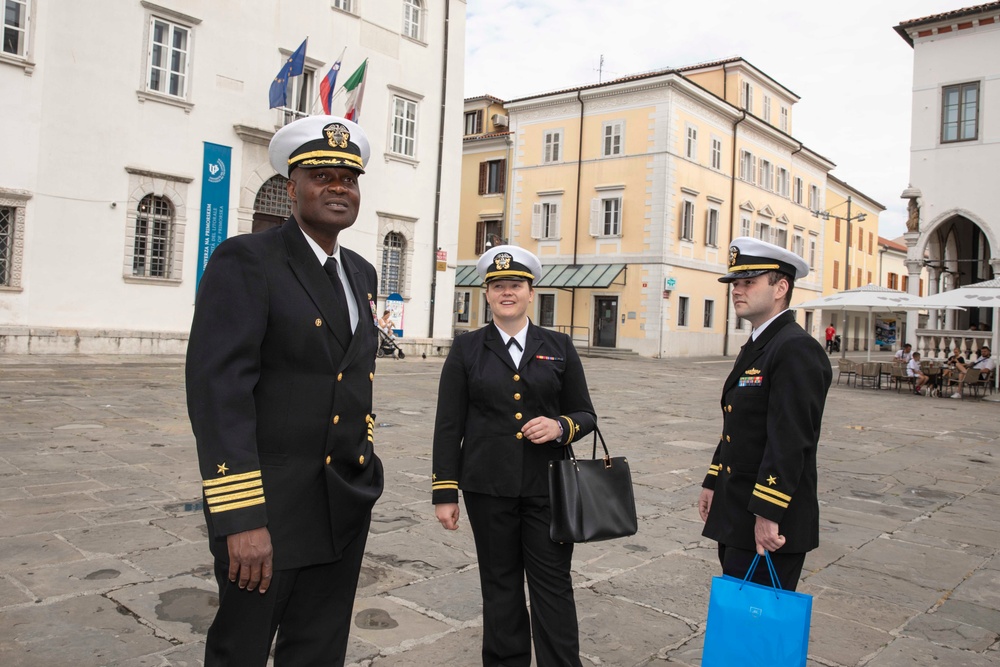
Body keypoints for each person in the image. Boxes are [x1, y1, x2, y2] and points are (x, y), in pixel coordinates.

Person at [186, 115, 384, 666]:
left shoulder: (361, 274)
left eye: (348, 178)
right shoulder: (247, 259)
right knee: (241, 652)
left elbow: (353, 379)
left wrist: (363, 471)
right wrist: (241, 518)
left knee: (319, 652)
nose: (337, 188)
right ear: (292, 187)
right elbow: (218, 395)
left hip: (340, 503)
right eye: (321, 176)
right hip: (267, 510)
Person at [432, 245, 596, 667]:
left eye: (516, 285)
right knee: (500, 586)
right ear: (486, 294)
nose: (507, 292)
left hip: (549, 487)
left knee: (553, 585)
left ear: (530, 291)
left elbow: (585, 414)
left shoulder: (558, 345)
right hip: (488, 488)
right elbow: (449, 424)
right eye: (498, 286)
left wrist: (561, 426)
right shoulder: (466, 348)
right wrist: (444, 492)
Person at [698, 237, 832, 591]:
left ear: (780, 287)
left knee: (756, 629)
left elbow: (790, 440)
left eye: (749, 282)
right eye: (735, 284)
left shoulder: (795, 348)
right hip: (738, 508)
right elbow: (739, 425)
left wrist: (768, 513)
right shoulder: (762, 343)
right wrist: (713, 480)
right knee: (741, 622)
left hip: (768, 520)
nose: (737, 291)